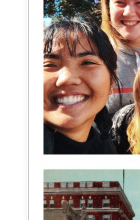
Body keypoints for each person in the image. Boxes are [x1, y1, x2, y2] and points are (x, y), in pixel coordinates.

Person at [44, 16, 118, 154]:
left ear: (112, 82)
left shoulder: (107, 149)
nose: (67, 79)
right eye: (49, 65)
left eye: (87, 63)